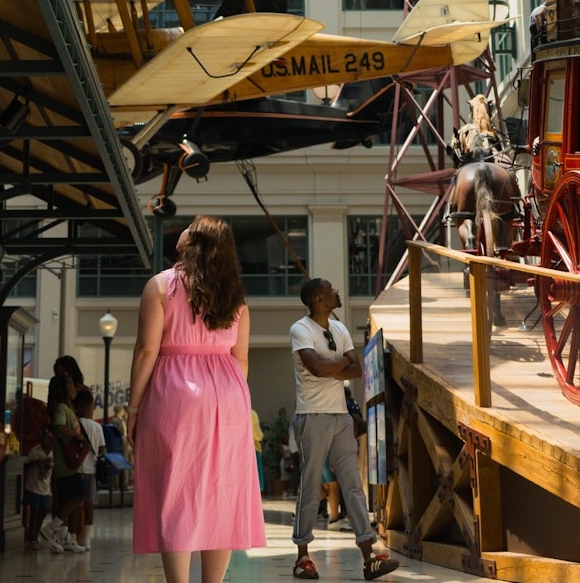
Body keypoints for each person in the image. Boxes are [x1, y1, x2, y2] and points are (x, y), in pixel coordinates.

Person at [127, 215, 264, 583]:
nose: (182, 229)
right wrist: (228, 400)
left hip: (175, 392)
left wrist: (134, 408)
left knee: (177, 489)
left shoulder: (160, 287)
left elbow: (145, 351)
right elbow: (242, 359)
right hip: (229, 393)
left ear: (194, 242)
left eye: (188, 227)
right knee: (220, 492)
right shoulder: (236, 298)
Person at [288, 278, 399, 580]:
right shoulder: (300, 329)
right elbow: (319, 368)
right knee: (310, 486)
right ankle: (302, 556)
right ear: (317, 298)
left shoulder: (339, 328)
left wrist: (329, 365)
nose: (337, 290)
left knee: (352, 486)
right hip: (312, 417)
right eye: (330, 289)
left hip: (341, 418)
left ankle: (368, 556)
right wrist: (336, 364)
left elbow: (357, 368)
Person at [41, 375, 87, 554]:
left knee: (74, 498)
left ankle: (65, 536)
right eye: (69, 384)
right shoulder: (61, 408)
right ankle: (50, 529)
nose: (73, 387)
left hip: (73, 462)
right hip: (67, 463)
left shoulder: (69, 408)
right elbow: (59, 427)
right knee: (76, 496)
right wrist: (77, 437)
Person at [71, 390, 106, 550]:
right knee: (89, 505)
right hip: (91, 470)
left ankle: (71, 536)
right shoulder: (97, 427)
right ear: (91, 407)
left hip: (76, 469)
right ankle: (87, 539)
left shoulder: (75, 423)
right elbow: (102, 450)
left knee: (76, 504)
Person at [21, 434, 54, 550]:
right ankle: (32, 539)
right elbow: (25, 466)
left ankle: (36, 534)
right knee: (34, 512)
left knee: (43, 512)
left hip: (45, 488)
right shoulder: (35, 451)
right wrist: (35, 462)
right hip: (33, 486)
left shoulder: (54, 453)